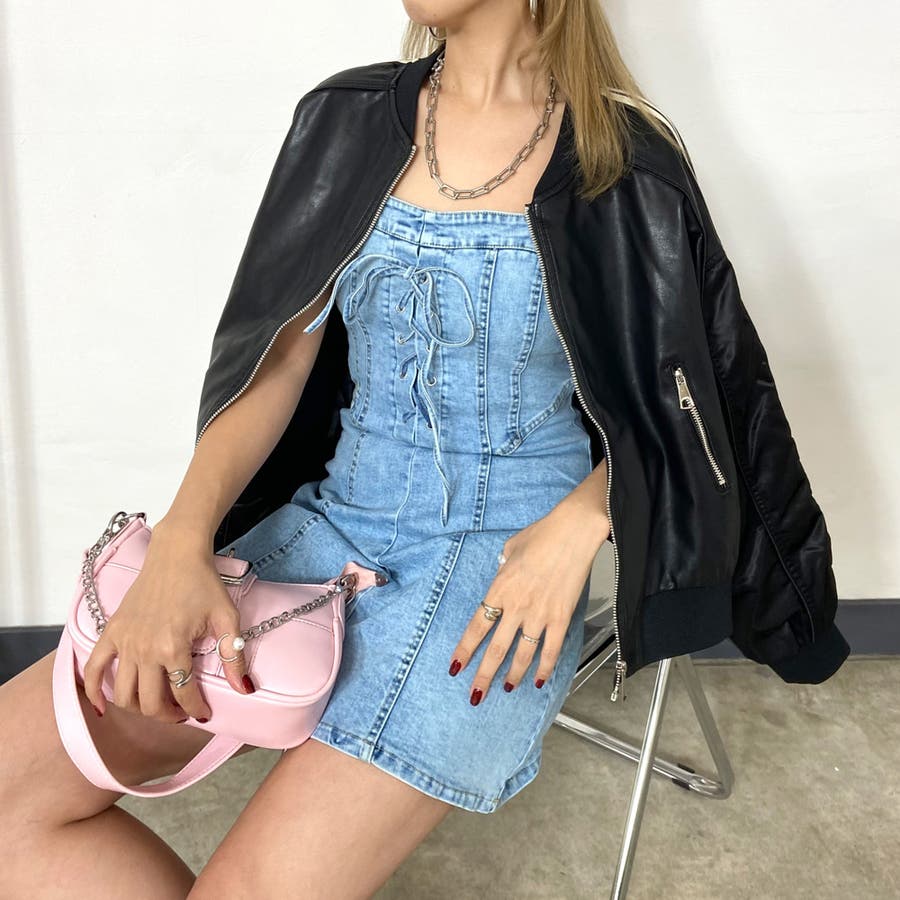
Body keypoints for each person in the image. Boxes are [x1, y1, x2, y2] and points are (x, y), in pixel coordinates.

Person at [1, 1, 849, 897]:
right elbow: (277, 358)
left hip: (499, 589)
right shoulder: (345, 120)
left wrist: (584, 519)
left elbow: (700, 409)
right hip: (331, 526)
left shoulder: (623, 160)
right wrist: (181, 542)